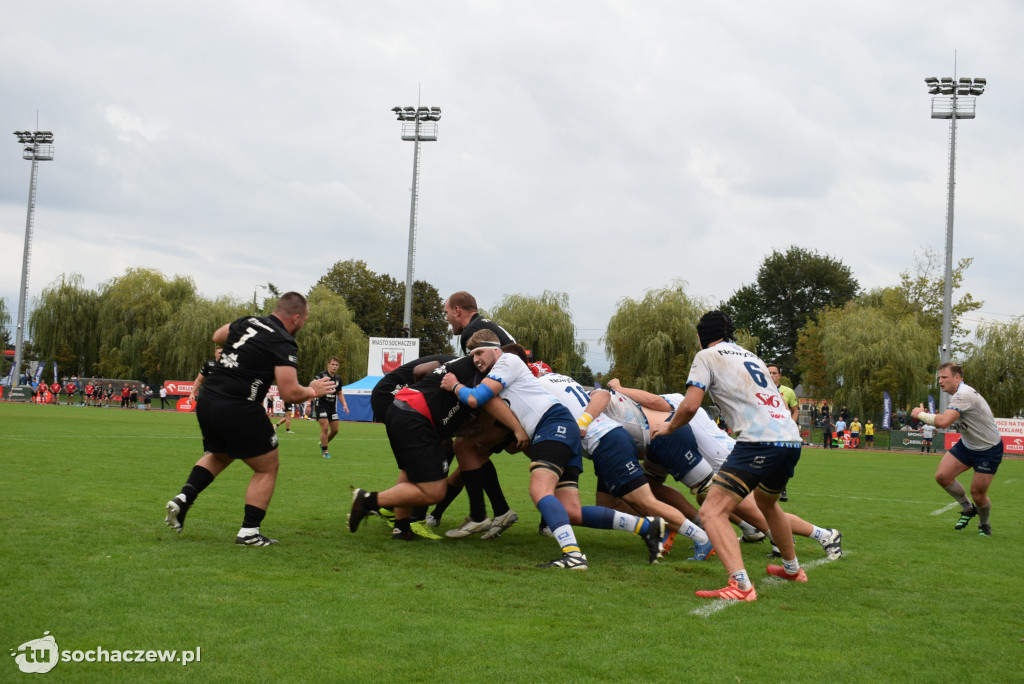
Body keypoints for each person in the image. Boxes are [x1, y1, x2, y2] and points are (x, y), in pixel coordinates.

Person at [651, 311, 806, 601]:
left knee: (712, 511)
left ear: (701, 336)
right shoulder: (752, 356)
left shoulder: (706, 356)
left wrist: (669, 426)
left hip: (759, 441)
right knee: (767, 503)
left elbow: (690, 405)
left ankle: (741, 586)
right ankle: (792, 568)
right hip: (790, 438)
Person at [165, 292, 335, 546]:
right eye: (305, 319)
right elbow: (289, 392)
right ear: (297, 318)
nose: (304, 324)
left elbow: (217, 335)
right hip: (239, 405)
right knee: (267, 466)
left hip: (209, 399)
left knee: (221, 454)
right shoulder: (283, 341)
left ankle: (183, 499)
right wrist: (313, 391)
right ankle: (249, 532)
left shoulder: (248, 322)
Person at [438, 330, 602, 569]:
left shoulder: (507, 360)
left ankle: (573, 556)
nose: (475, 360)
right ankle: (650, 527)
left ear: (496, 349)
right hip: (555, 426)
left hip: (552, 424)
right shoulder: (500, 373)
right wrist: (517, 430)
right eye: (471, 356)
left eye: (479, 352)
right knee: (572, 511)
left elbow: (475, 398)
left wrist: (454, 386)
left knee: (539, 490)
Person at [348, 352, 528, 542]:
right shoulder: (477, 374)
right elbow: (475, 403)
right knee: (434, 490)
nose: (477, 358)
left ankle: (401, 528)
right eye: (476, 352)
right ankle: (369, 501)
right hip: (414, 414)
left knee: (410, 471)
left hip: (403, 410)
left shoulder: (466, 367)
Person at [911, 363, 1004, 537]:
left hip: (988, 449)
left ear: (957, 378)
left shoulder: (964, 394)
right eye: (939, 377)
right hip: (967, 445)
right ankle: (968, 508)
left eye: (944, 377)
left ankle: (984, 523)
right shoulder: (957, 395)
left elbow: (944, 422)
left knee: (978, 493)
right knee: (942, 476)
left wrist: (920, 414)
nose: (940, 381)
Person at [443, 291, 515, 354]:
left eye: (446, 313)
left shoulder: (471, 331)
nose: (446, 319)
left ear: (456, 310)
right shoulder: (483, 324)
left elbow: (475, 368)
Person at [767, 363, 799, 501]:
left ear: (779, 376)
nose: (772, 375)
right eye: (769, 373)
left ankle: (782, 488)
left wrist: (790, 424)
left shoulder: (788, 391)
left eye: (774, 373)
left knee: (782, 462)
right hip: (765, 431)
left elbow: (795, 411)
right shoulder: (758, 390)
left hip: (783, 432)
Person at [313, 357, 349, 458]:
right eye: (332, 364)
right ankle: (325, 451)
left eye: (336, 365)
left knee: (335, 430)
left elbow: (340, 393)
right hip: (321, 405)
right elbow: (312, 387)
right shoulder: (321, 376)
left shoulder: (338, 378)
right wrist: (308, 402)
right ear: (328, 365)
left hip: (331, 407)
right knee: (325, 427)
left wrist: (345, 404)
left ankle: (323, 443)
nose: (334, 366)